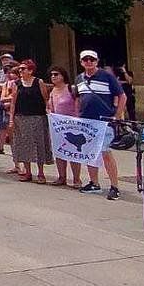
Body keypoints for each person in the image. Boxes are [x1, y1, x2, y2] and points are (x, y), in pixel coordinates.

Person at [74, 49, 124, 200]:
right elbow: (77, 98)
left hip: (104, 120)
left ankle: (115, 186)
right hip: (86, 121)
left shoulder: (107, 76)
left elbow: (122, 95)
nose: (88, 62)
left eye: (92, 59)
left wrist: (117, 115)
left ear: (96, 61)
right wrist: (78, 115)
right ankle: (94, 182)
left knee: (105, 152)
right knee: (89, 152)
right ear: (81, 62)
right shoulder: (79, 79)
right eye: (85, 59)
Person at [9, 59, 52, 183]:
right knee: (23, 145)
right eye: (20, 69)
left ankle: (41, 172)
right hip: (21, 118)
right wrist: (11, 119)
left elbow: (45, 99)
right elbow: (13, 103)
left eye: (23, 69)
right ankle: (28, 172)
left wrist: (49, 112)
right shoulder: (16, 84)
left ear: (31, 70)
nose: (20, 71)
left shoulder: (39, 82)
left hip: (38, 117)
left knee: (39, 144)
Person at [47, 67, 81, 187]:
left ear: (63, 76)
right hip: (57, 126)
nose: (53, 77)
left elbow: (77, 107)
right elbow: (50, 107)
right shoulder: (52, 91)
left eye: (56, 74)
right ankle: (62, 177)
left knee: (72, 152)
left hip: (71, 125)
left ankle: (77, 179)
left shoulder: (71, 89)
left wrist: (77, 122)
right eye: (52, 75)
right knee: (59, 151)